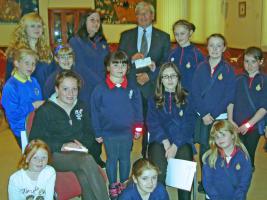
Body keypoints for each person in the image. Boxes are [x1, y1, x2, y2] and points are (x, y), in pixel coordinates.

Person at [29, 70, 109, 200]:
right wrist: (62, 145)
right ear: (56, 89)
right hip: (54, 154)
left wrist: (82, 146)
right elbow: (34, 140)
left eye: (74, 89)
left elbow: (89, 133)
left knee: (84, 175)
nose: (70, 94)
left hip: (78, 153)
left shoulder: (81, 106)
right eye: (65, 89)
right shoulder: (45, 110)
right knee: (87, 160)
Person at [119, 1, 171, 158]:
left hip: (151, 85)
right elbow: (118, 62)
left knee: (150, 122)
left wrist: (150, 75)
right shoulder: (126, 36)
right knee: (128, 120)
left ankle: (146, 153)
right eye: (139, 13)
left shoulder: (163, 37)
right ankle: (125, 151)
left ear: (152, 16)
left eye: (146, 12)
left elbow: (165, 62)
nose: (142, 16)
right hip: (131, 86)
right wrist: (130, 59)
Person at [91, 51, 143, 199]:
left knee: (126, 157)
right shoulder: (100, 89)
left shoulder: (132, 88)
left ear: (128, 67)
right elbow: (94, 112)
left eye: (123, 64)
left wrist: (138, 128)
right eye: (116, 64)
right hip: (108, 132)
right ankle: (113, 185)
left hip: (127, 132)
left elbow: (138, 109)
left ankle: (125, 184)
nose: (120, 68)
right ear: (108, 67)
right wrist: (97, 132)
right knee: (112, 159)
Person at [191, 33, 236, 193]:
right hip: (203, 118)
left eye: (219, 46)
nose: (215, 49)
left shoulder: (229, 70)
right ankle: (205, 181)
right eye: (212, 45)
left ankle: (219, 181)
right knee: (205, 151)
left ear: (224, 48)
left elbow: (229, 95)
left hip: (219, 119)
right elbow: (194, 92)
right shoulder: (200, 68)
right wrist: (204, 114)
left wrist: (214, 114)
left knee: (220, 151)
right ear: (207, 47)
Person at [146, 62, 195, 200]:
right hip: (159, 140)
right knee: (159, 172)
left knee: (184, 174)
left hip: (181, 141)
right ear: (160, 79)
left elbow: (189, 125)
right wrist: (166, 143)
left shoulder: (187, 98)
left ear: (178, 78)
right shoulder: (153, 99)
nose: (169, 79)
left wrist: (175, 145)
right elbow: (152, 123)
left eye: (172, 76)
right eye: (165, 76)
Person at [69, 9, 109, 167]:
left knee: (99, 123)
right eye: (92, 20)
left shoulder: (103, 42)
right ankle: (87, 156)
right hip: (85, 90)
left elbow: (108, 64)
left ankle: (97, 155)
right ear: (84, 21)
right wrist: (101, 82)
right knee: (87, 124)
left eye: (98, 21)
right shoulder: (75, 41)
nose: (96, 23)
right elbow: (80, 66)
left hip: (101, 91)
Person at [228, 47, 267, 170]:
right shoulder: (238, 79)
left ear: (260, 62)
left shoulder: (264, 81)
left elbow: (264, 108)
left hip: (253, 127)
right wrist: (230, 120)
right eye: (246, 61)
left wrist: (248, 125)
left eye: (253, 61)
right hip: (235, 125)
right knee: (233, 155)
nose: (249, 65)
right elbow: (230, 101)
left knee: (247, 156)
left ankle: (244, 183)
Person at [1, 48, 44, 147]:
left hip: (36, 126)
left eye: (33, 64)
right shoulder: (11, 86)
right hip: (22, 130)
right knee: (30, 156)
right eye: (27, 63)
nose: (31, 67)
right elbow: (13, 114)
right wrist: (32, 105)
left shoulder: (34, 81)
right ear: (16, 63)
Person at [202, 120, 252, 200]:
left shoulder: (244, 157)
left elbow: (244, 183)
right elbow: (207, 183)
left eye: (223, 135)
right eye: (216, 137)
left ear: (232, 135)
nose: (220, 139)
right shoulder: (210, 158)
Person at [5, 12, 54, 91]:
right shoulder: (15, 52)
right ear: (24, 29)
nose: (37, 29)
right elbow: (9, 81)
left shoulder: (47, 51)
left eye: (39, 26)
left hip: (46, 97)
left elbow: (53, 75)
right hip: (24, 97)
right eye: (32, 26)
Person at [169, 19, 204, 93]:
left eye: (182, 33)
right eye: (176, 34)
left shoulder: (197, 54)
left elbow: (202, 77)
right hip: (173, 93)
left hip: (190, 95)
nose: (179, 37)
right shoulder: (171, 53)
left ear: (190, 33)